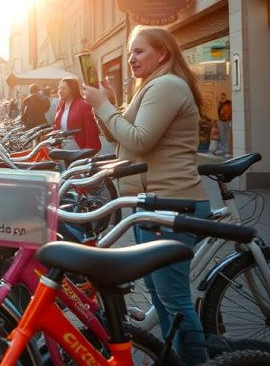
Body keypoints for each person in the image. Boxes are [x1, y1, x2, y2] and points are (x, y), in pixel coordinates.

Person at [85, 26, 211, 366]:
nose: (131, 59)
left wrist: (106, 106)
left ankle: (196, 362)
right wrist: (105, 105)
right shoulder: (153, 87)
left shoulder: (167, 85)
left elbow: (139, 140)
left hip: (172, 202)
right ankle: (176, 358)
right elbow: (120, 136)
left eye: (139, 51)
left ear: (163, 54)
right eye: (130, 53)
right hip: (153, 204)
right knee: (162, 296)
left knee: (175, 299)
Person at [53, 78, 101, 152]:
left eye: (63, 88)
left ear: (72, 89)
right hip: (63, 150)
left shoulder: (83, 105)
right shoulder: (61, 107)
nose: (60, 91)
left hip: (79, 150)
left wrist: (88, 150)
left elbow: (91, 129)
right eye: (59, 88)